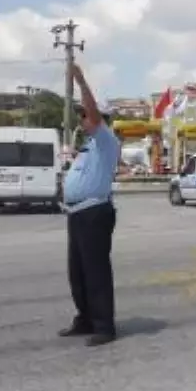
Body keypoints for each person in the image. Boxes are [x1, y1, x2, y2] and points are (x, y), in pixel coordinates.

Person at [58, 63, 121, 347]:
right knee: (78, 272)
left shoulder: (106, 140)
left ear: (99, 117)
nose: (82, 119)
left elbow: (94, 114)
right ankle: (85, 318)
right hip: (77, 213)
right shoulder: (87, 147)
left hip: (95, 212)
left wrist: (82, 82)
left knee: (96, 272)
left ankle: (104, 326)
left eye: (84, 115)